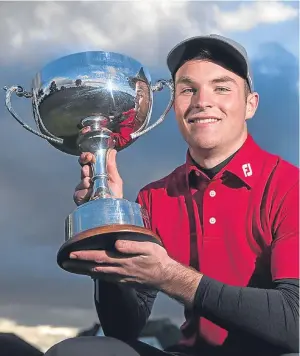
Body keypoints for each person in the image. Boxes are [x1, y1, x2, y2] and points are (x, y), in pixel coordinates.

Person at [45, 34, 299, 356]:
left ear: (250, 104)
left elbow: (296, 323)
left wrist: (170, 276)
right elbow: (122, 328)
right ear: (174, 105)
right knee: (78, 351)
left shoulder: (290, 187)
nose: (201, 101)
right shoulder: (154, 198)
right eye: (187, 89)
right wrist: (110, 222)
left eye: (221, 88)